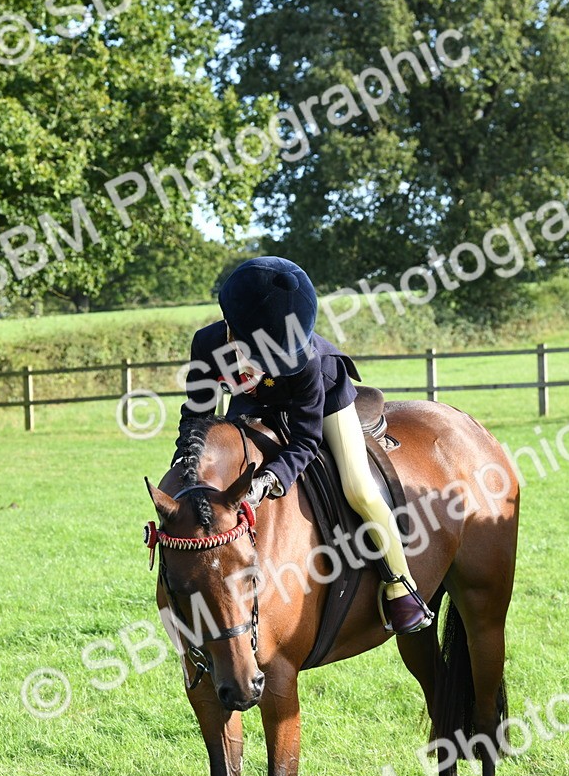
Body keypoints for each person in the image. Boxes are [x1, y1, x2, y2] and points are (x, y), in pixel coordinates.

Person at [171, 256, 433, 634]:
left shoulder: (309, 361)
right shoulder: (207, 344)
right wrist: (188, 469)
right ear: (231, 329)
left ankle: (400, 583)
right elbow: (198, 415)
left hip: (324, 400)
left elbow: (306, 438)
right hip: (254, 403)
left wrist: (269, 480)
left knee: (358, 488)